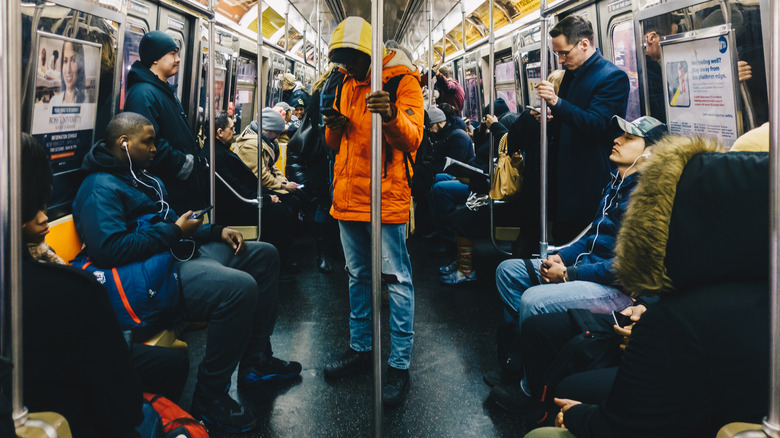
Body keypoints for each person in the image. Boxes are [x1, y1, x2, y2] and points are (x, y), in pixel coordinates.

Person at [524, 135, 770, 438]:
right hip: (648, 319)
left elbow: (622, 425)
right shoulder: (754, 280)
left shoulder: (680, 316)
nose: (615, 140)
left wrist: (575, 414)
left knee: (538, 308)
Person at [72, 112, 301, 433]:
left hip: (172, 257)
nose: (155, 148)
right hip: (149, 277)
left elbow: (169, 222)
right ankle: (210, 396)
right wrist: (175, 233)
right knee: (238, 288)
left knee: (263, 254)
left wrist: (214, 231)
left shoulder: (140, 177)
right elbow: (109, 249)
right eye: (147, 142)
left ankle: (254, 363)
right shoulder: (99, 188)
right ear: (123, 143)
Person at [320, 17, 424, 406]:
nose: (346, 68)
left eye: (351, 60)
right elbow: (335, 143)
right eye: (341, 61)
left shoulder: (401, 81)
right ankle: (361, 348)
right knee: (357, 277)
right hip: (348, 198)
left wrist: (392, 115)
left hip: (385, 197)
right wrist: (334, 125)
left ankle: (398, 364)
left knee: (396, 281)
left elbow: (414, 138)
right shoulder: (346, 84)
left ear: (368, 54)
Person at [494, 115, 666, 337]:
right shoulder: (616, 183)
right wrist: (563, 257)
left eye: (629, 137)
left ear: (651, 152)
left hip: (616, 288)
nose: (617, 140)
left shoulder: (648, 197)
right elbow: (591, 237)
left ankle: (535, 355)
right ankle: (528, 342)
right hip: (588, 268)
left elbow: (625, 267)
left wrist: (568, 274)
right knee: (507, 272)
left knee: (532, 300)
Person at [533, 15, 630, 243]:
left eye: (564, 53)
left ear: (584, 44)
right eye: (557, 53)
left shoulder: (612, 77)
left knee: (579, 243)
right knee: (559, 240)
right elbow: (569, 118)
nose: (560, 60)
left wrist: (557, 103)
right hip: (565, 178)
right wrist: (550, 117)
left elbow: (595, 123)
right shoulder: (571, 75)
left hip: (589, 179)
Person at [124, 30, 207, 214]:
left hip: (179, 189)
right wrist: (182, 163)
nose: (178, 59)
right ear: (155, 58)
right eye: (172, 53)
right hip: (169, 190)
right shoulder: (143, 94)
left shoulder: (162, 90)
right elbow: (147, 143)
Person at [210, 111, 298, 276]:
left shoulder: (221, 151)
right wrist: (266, 198)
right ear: (219, 133)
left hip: (245, 199)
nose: (234, 132)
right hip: (237, 207)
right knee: (283, 213)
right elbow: (235, 189)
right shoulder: (218, 156)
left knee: (285, 207)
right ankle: (274, 265)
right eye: (231, 128)